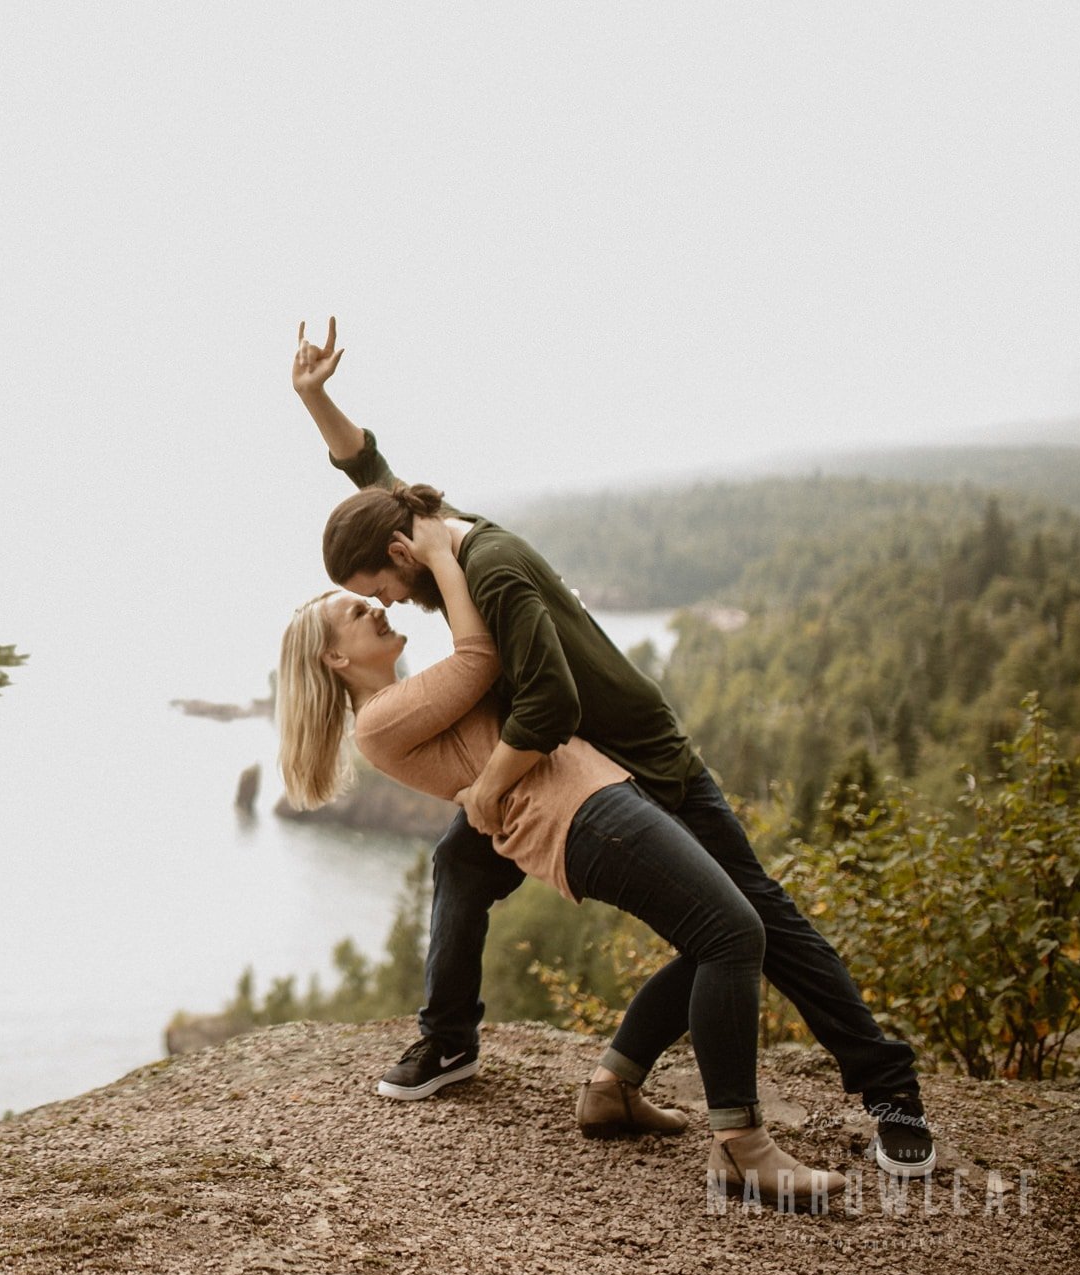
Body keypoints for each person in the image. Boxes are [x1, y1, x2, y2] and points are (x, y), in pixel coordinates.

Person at [289, 317, 936, 1180]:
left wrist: (486, 789)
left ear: (403, 554)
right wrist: (315, 396)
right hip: (562, 768)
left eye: (380, 591)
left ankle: (888, 1088)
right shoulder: (434, 539)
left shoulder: (488, 572)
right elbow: (370, 473)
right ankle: (450, 1044)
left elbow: (548, 701)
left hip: (635, 760)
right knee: (460, 867)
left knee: (755, 923)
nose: (393, 609)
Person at [279, 511, 843, 1207]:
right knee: (733, 933)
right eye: (357, 611)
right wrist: (441, 554)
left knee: (722, 935)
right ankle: (741, 1147)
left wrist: (411, 512)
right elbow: (479, 656)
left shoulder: (405, 695)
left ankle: (613, 1089)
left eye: (370, 595)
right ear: (336, 660)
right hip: (579, 820)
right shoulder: (379, 720)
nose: (380, 606)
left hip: (593, 799)